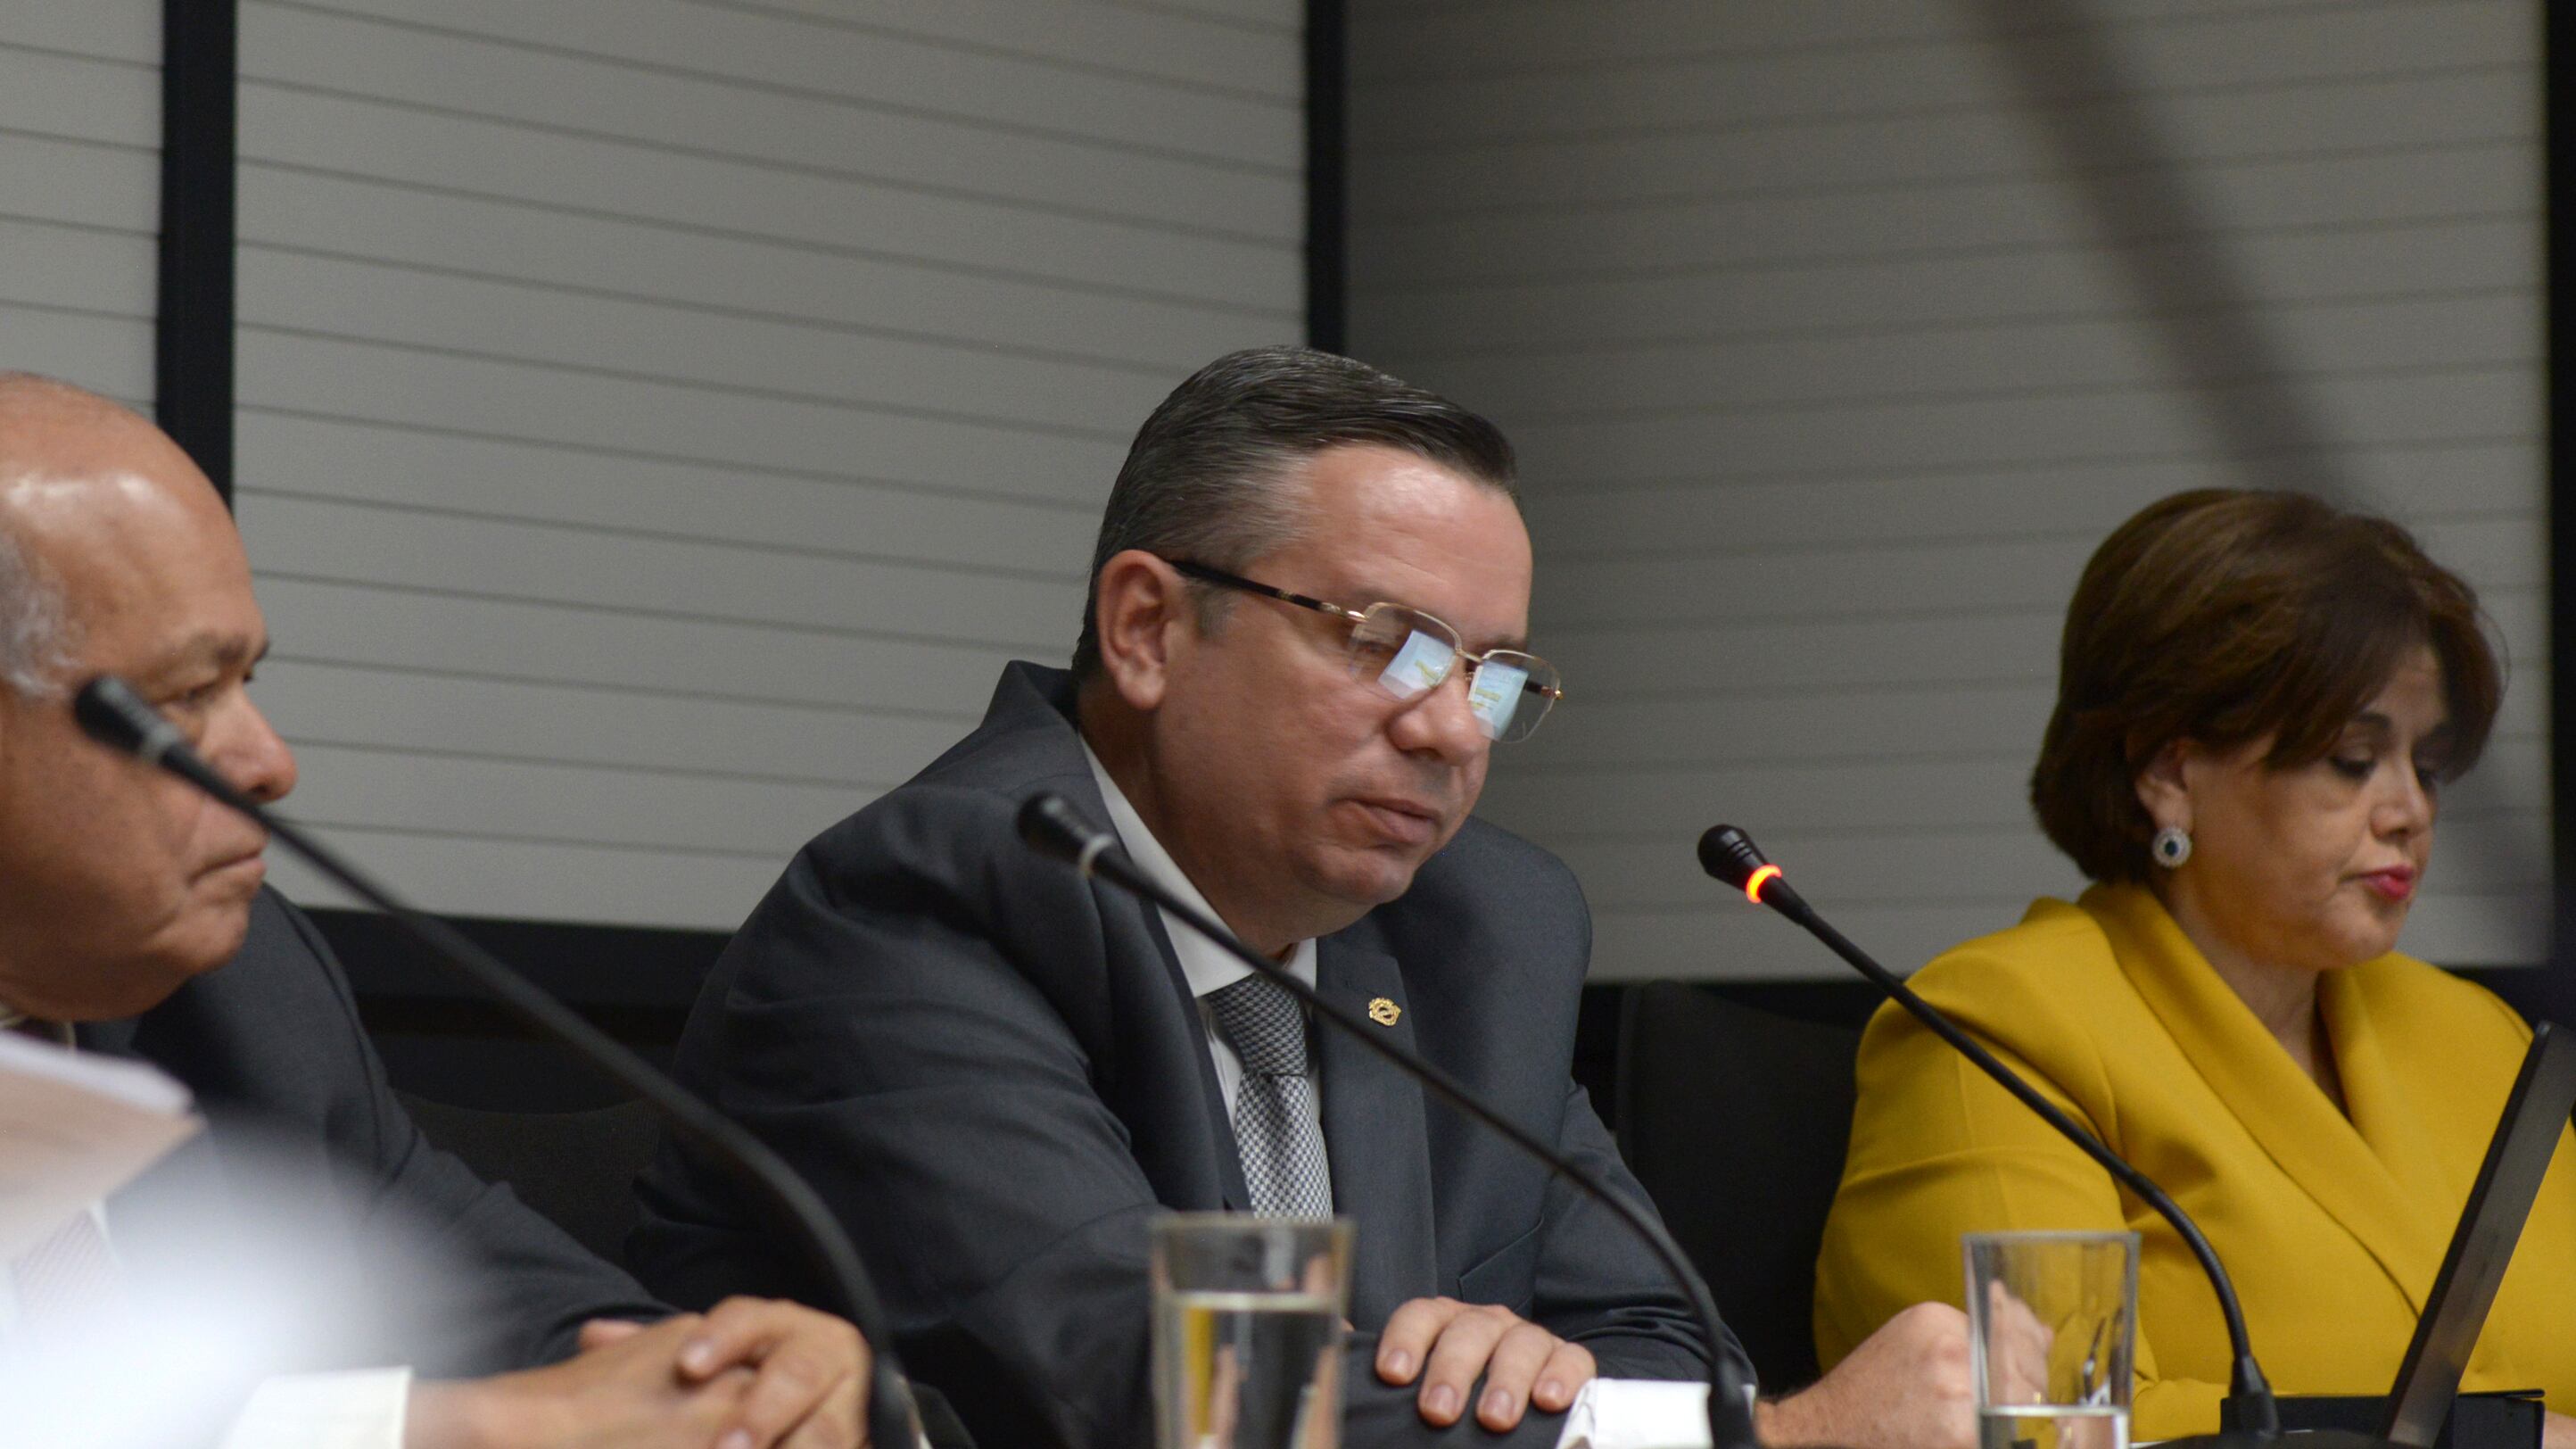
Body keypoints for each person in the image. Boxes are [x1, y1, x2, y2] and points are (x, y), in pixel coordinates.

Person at [634, 346, 1977, 1449]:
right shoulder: (918, 912)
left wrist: (1536, 1373)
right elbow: (1163, 1393)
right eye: (1392, 647)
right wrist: (1771, 1446)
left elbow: (1666, 1333)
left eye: (1496, 674)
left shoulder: (1482, 928)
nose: (1457, 733)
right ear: (1149, 630)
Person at [0, 374, 871, 1449]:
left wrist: (743, 1385)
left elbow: (531, 1318)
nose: (269, 763)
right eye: (185, 698)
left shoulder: (242, 992)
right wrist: (458, 1432)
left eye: (248, 683)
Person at [1812, 489, 2576, 1441]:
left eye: (2424, 764)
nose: (2407, 810)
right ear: (2168, 774)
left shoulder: (2475, 1035)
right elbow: (2042, 1423)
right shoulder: (1998, 1030)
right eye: (2349, 757)